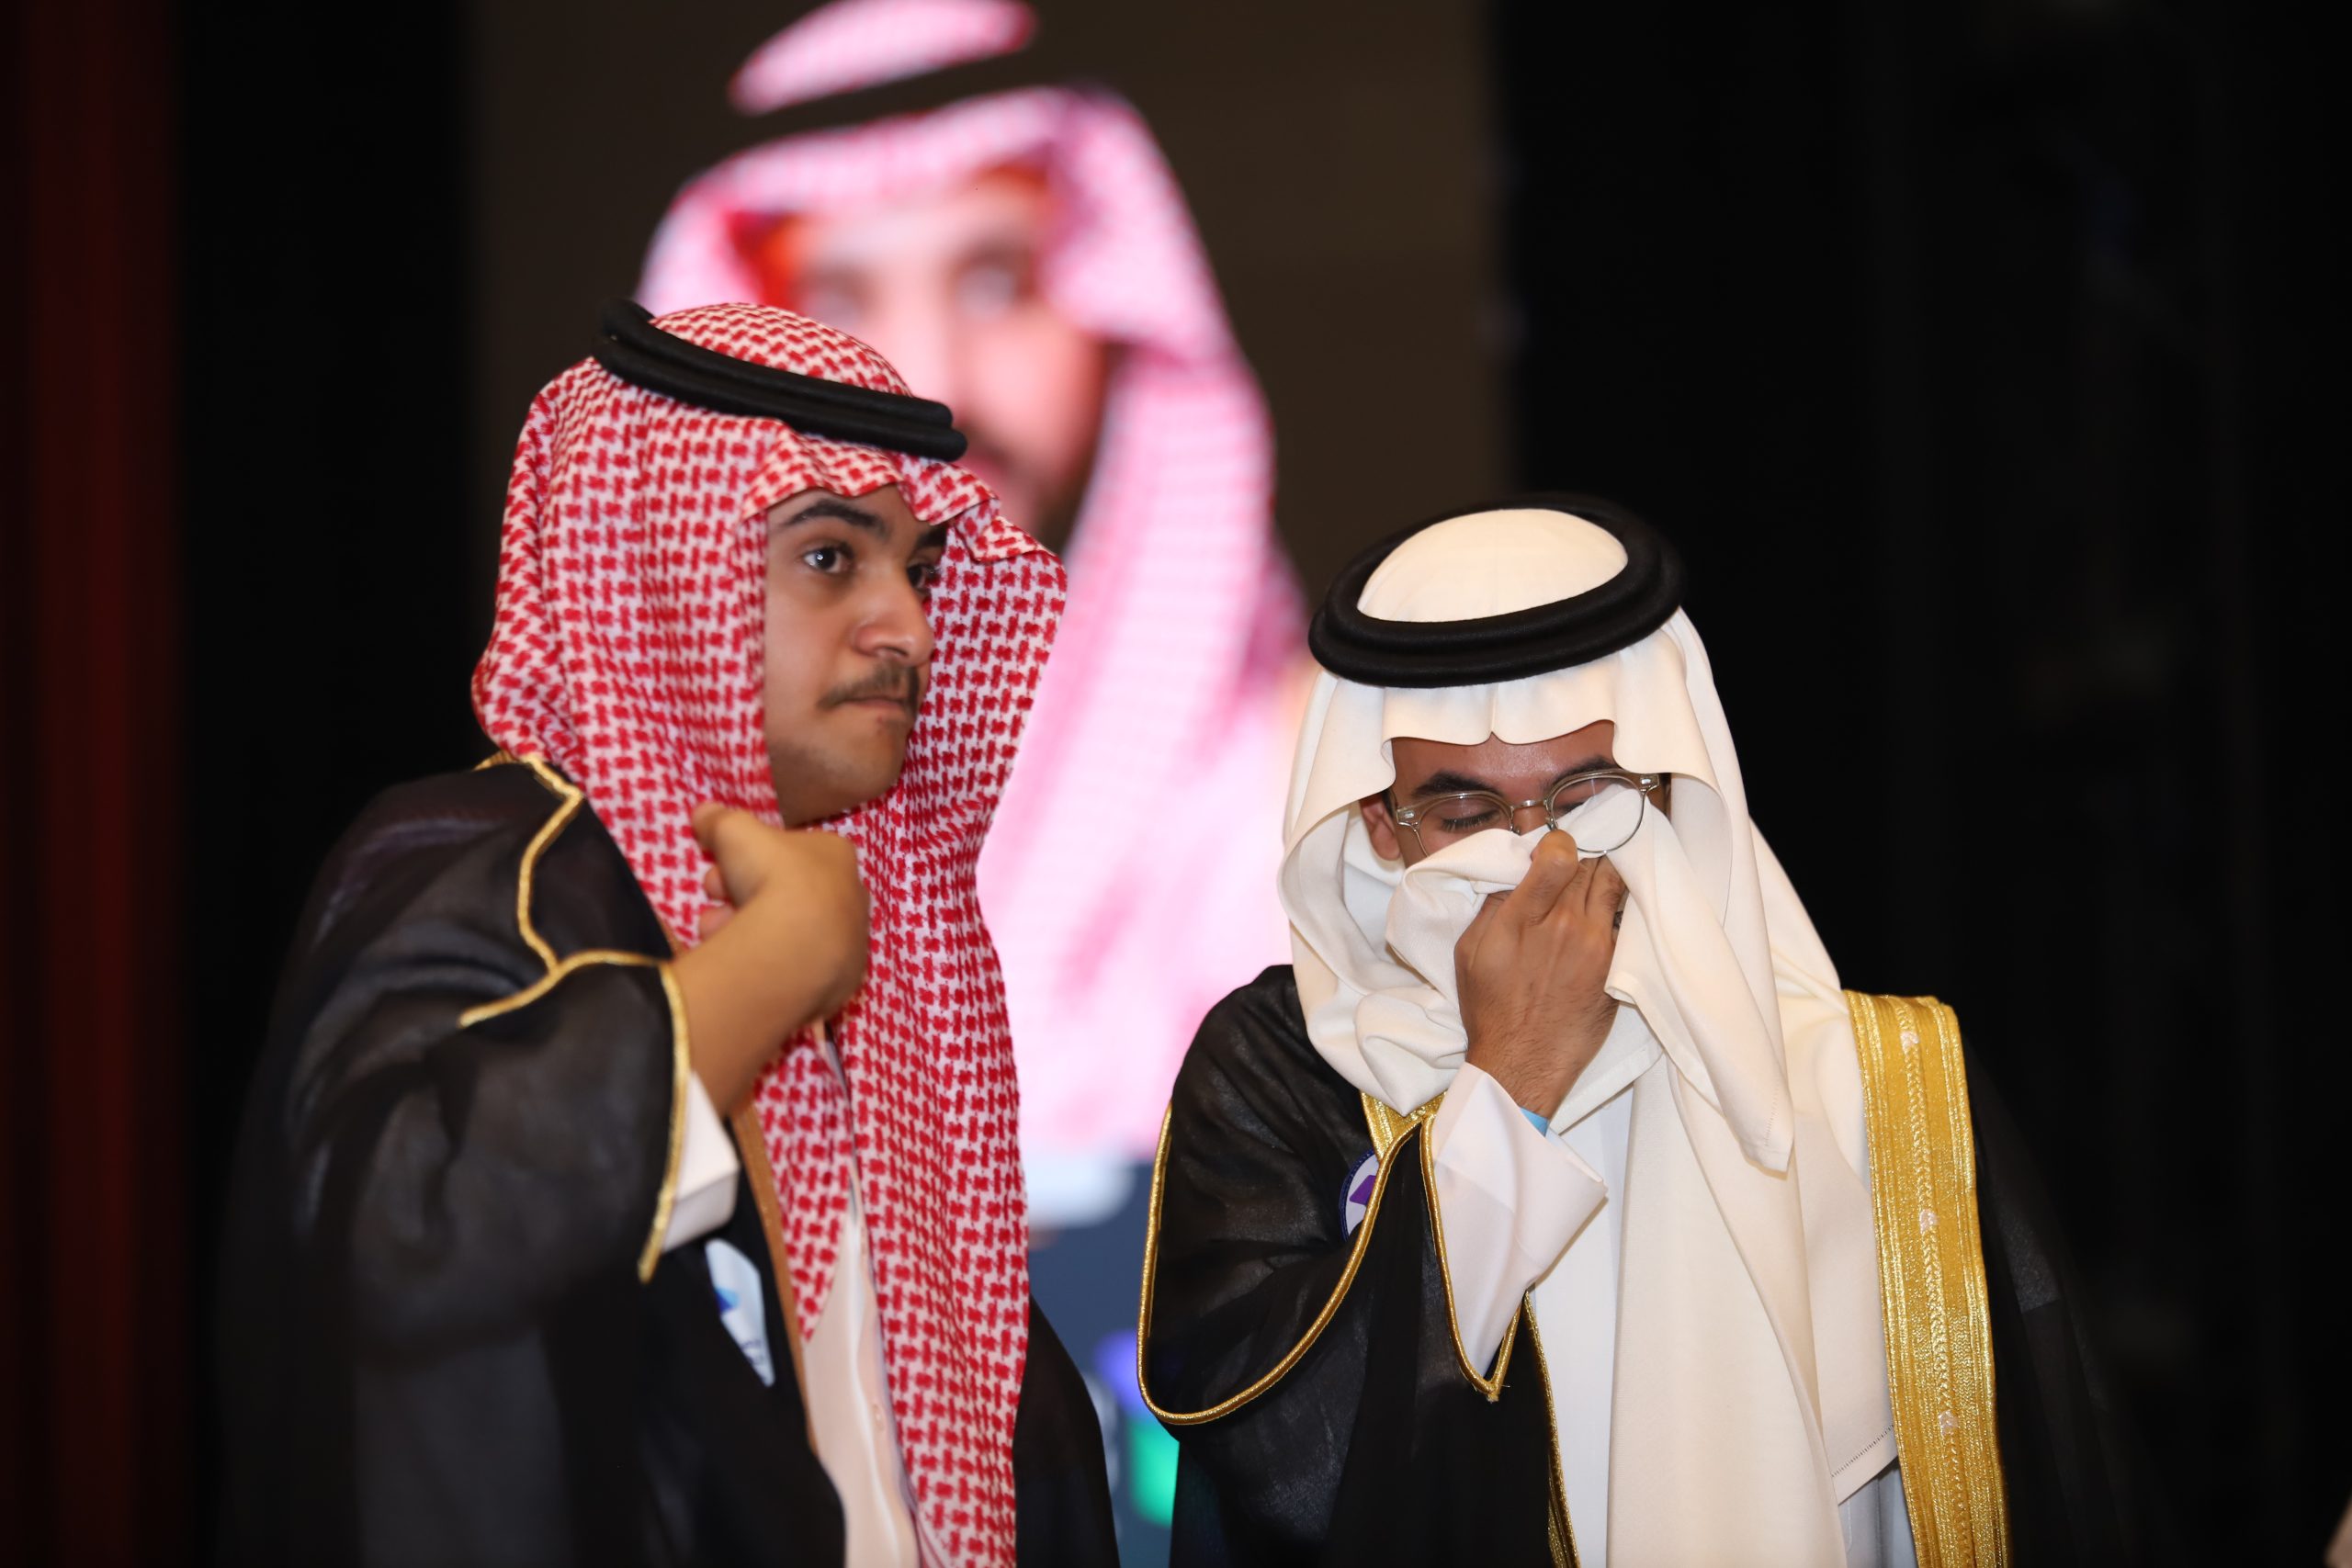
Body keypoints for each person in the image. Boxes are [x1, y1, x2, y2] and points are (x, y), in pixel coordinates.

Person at [218, 299, 1114, 1567]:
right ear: (651, 569)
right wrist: (763, 971)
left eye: (919, 570)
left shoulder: (895, 929)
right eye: (829, 557)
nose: (910, 628)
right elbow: (408, 1248)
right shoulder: (488, 874)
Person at [1138, 499, 2155, 1564]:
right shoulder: (1284, 1070)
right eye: (1465, 815)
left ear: (1670, 791)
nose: (1536, 861)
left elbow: (2045, 1486)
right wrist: (1507, 1088)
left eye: (1586, 797)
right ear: (1378, 829)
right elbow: (1281, 1459)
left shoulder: (1876, 1082)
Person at [641, 0, 1305, 1224]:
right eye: (836, 296)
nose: (929, 383)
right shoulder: (611, 851)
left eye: (998, 281)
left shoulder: (1315, 796)